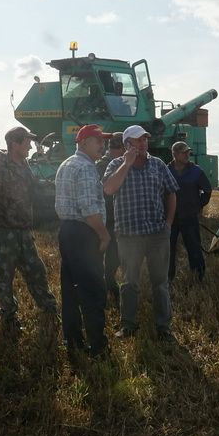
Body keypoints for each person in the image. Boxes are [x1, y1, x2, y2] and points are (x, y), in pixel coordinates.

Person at [0, 126, 58, 331]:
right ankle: (9, 317)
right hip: (3, 233)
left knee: (36, 271)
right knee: (4, 277)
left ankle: (49, 308)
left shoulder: (24, 166)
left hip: (23, 231)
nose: (30, 146)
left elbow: (33, 190)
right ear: (15, 144)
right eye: (27, 142)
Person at [103, 125, 179, 342]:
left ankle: (164, 327)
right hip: (129, 235)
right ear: (127, 144)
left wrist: (168, 224)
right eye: (138, 140)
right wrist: (126, 163)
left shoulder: (158, 164)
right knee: (129, 282)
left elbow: (171, 192)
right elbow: (108, 189)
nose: (143, 143)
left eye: (145, 139)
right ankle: (128, 325)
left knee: (160, 282)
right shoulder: (116, 164)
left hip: (157, 234)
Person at [54, 124, 111, 357]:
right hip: (85, 233)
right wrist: (104, 235)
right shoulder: (86, 168)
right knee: (93, 290)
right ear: (85, 142)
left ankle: (73, 339)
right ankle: (98, 346)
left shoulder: (66, 164)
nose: (103, 145)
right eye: (99, 141)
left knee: (70, 289)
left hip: (67, 231)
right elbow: (89, 210)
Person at [167, 141, 212, 283]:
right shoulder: (166, 170)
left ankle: (199, 278)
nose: (187, 154)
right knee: (168, 250)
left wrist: (198, 205)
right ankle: (168, 278)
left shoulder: (196, 171)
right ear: (174, 154)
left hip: (189, 217)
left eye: (188, 152)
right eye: (184, 152)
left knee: (194, 248)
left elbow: (207, 190)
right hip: (170, 217)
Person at [95, 132, 124, 308]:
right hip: (106, 218)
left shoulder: (100, 164)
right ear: (120, 148)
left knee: (112, 255)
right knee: (105, 254)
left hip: (110, 217)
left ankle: (107, 282)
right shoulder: (102, 166)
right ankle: (106, 285)